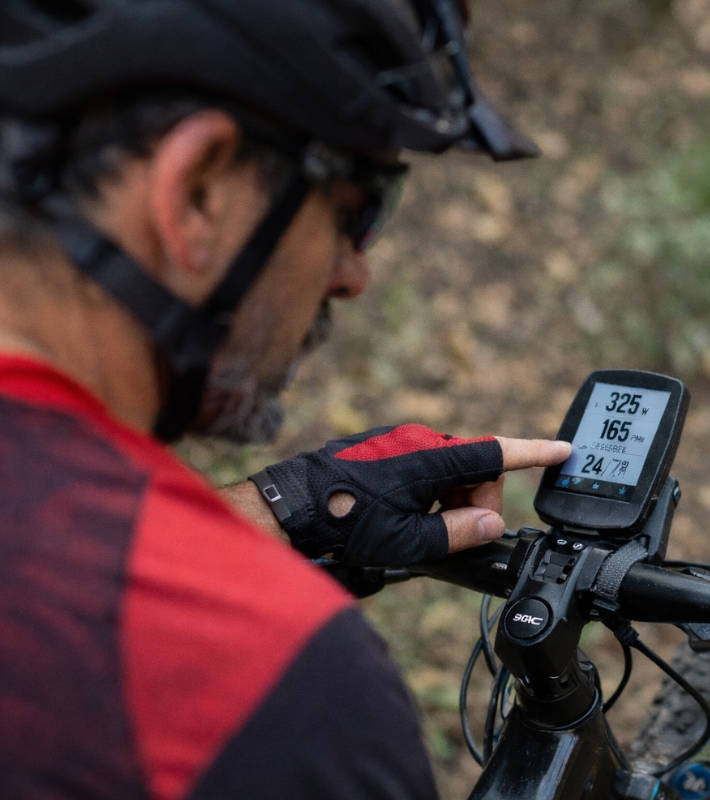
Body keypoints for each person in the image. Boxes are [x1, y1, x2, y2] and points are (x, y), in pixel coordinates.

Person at [0, 1, 568, 797]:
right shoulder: (275, 693)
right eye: (358, 210)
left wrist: (294, 503)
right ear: (197, 191)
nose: (354, 276)